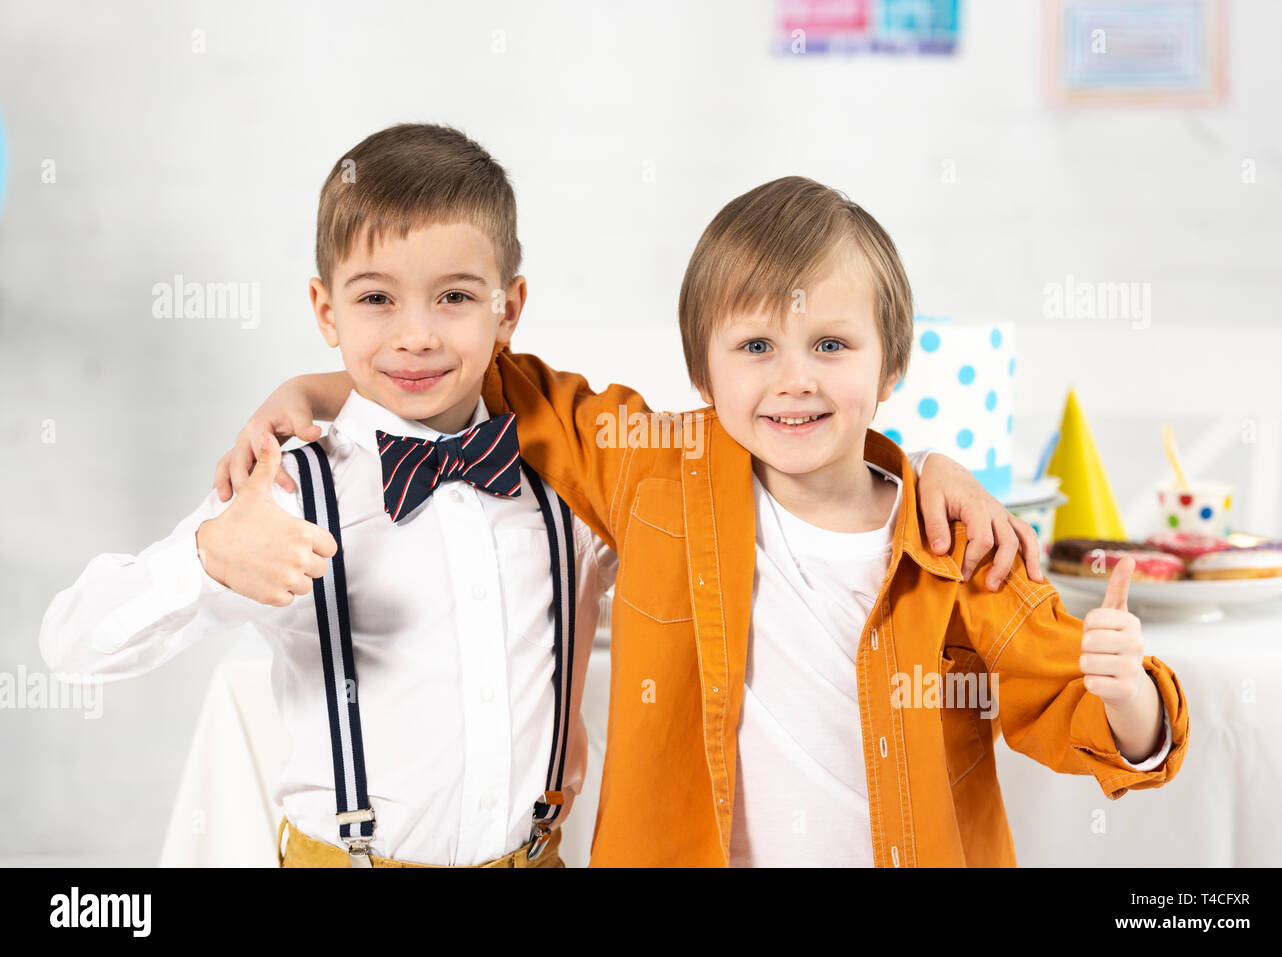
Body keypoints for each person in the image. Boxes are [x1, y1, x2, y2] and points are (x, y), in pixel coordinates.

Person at [207, 177, 1172, 866]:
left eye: (831, 343)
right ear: (704, 376)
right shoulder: (653, 469)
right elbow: (479, 371)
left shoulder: (954, 541)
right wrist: (317, 384)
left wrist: (1127, 694)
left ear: (891, 369)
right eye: (755, 345)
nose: (793, 376)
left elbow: (1096, 720)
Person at [39, 123, 622, 868]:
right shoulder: (286, 489)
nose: (416, 335)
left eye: (454, 297)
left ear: (508, 308)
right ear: (324, 310)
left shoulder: (564, 484)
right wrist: (206, 557)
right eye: (377, 297)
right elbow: (70, 646)